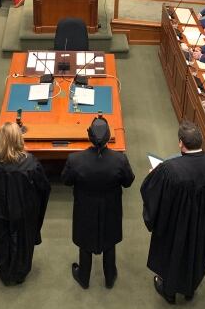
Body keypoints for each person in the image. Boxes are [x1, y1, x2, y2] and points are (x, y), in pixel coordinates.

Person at [140, 121, 205, 303]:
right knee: (197, 252)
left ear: (181, 143)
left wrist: (153, 175)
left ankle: (169, 291)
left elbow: (151, 192)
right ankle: (190, 288)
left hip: (177, 223)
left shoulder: (169, 169)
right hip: (204, 222)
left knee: (174, 253)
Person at [0, 122, 50, 285]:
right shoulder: (31, 163)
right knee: (22, 242)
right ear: (18, 140)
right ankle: (20, 273)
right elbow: (43, 190)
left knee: (0, 241)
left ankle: (5, 273)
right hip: (23, 212)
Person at [62, 117, 135, 289]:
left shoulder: (75, 159)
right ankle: (110, 277)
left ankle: (83, 277)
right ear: (109, 136)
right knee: (109, 241)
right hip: (111, 208)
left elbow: (66, 180)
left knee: (85, 242)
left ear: (89, 136)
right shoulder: (120, 160)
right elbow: (128, 181)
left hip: (84, 208)